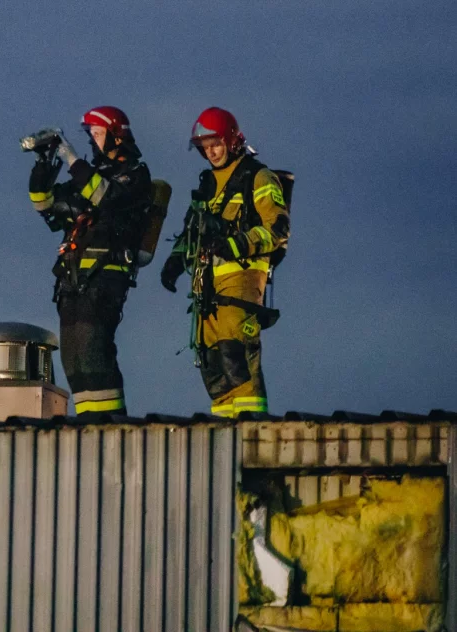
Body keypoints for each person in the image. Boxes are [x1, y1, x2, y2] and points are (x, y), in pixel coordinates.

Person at [160, 107, 290, 417]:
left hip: (242, 280)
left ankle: (252, 429)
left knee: (236, 353)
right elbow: (193, 229)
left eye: (215, 143)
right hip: (207, 285)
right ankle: (223, 432)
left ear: (231, 140)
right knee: (211, 360)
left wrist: (233, 243)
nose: (212, 152)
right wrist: (175, 261)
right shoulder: (207, 183)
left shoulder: (257, 176)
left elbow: (277, 229)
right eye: (205, 147)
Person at [28, 106, 154, 416]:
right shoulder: (88, 176)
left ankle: (111, 425)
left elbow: (105, 198)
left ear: (115, 136)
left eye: (97, 134)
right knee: (73, 357)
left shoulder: (134, 175)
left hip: (104, 280)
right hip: (73, 282)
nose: (93, 141)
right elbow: (47, 205)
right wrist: (45, 164)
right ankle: (90, 425)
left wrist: (72, 159)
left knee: (93, 351)